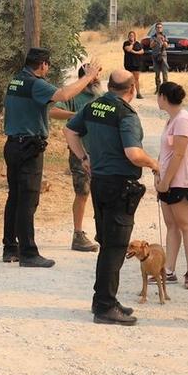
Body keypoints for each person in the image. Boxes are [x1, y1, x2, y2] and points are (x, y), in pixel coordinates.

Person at [63, 69, 159, 325]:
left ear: (110, 86)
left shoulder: (95, 106)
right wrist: (154, 163)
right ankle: (105, 307)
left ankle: (105, 300)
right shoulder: (126, 114)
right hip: (120, 186)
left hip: (100, 183)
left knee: (107, 244)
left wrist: (84, 158)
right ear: (132, 88)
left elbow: (70, 131)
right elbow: (133, 153)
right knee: (115, 248)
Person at [1, 48, 101, 267]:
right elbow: (64, 95)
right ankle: (28, 253)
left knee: (15, 197)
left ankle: (10, 248)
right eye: (48, 65)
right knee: (28, 200)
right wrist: (88, 77)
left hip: (12, 145)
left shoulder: (15, 81)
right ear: (43, 65)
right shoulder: (35, 84)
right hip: (29, 147)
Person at [154, 80, 188, 289]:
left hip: (181, 181)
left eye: (158, 95)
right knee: (171, 225)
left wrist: (166, 181)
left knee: (185, 224)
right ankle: (168, 269)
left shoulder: (182, 120)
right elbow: (166, 152)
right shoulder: (171, 120)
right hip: (166, 181)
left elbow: (179, 154)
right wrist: (158, 174)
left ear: (164, 97)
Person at [62, 64, 105, 253]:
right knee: (82, 192)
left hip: (102, 153)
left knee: (102, 193)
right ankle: (78, 235)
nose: (97, 80)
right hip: (80, 152)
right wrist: (78, 116)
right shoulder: (74, 96)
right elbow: (54, 112)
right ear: (84, 78)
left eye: (97, 77)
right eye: (93, 77)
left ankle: (102, 232)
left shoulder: (103, 97)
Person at [150, 22, 170, 93]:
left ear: (162, 28)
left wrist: (163, 41)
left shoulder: (164, 36)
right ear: (155, 28)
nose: (159, 29)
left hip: (163, 55)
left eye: (160, 27)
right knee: (157, 73)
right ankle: (158, 89)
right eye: (157, 27)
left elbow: (167, 46)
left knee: (165, 72)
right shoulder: (153, 36)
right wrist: (156, 40)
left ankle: (165, 89)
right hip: (155, 55)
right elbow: (151, 46)